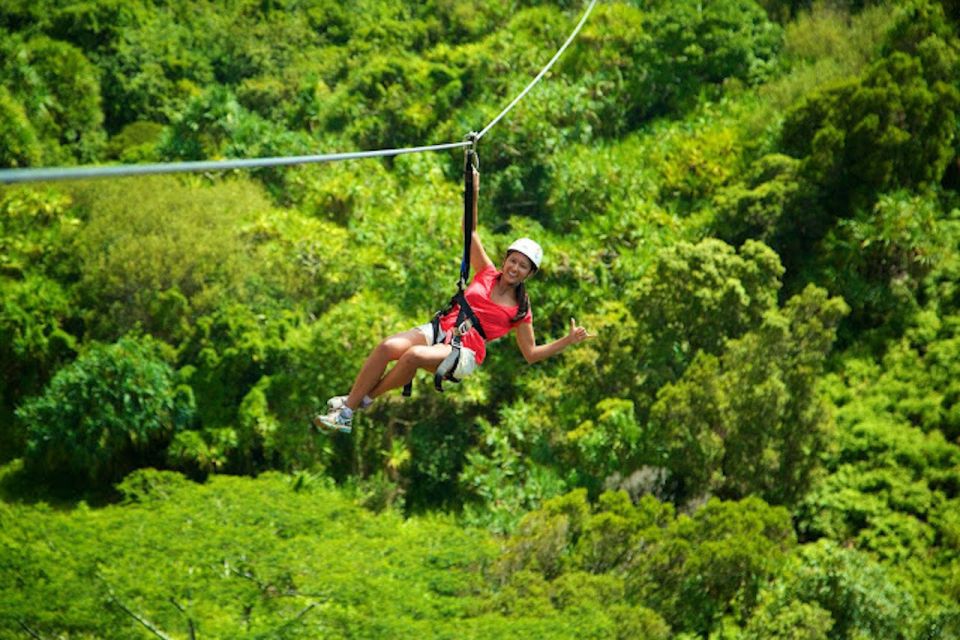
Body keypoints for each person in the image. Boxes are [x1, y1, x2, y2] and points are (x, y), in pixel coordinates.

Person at [314, 168, 593, 433]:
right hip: (440, 329)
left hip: (464, 352)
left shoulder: (521, 310)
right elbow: (469, 232)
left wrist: (567, 341)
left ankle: (353, 406)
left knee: (412, 356)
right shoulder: (486, 273)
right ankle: (352, 404)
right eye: (513, 261)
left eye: (523, 266)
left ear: (529, 274)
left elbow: (530, 354)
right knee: (388, 347)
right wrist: (473, 190)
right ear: (505, 259)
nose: (515, 268)